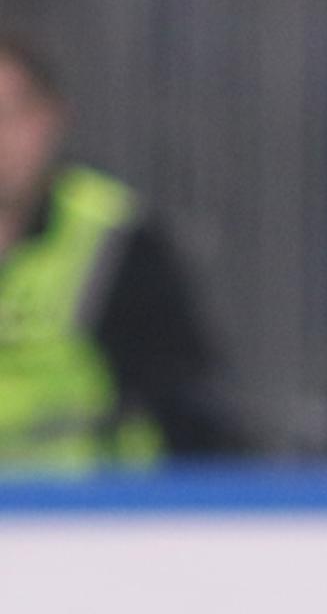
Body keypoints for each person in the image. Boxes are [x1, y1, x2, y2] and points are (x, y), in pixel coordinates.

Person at [0, 37, 237, 468]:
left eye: (8, 116)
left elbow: (184, 400)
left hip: (92, 500)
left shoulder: (115, 242)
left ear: (50, 120)